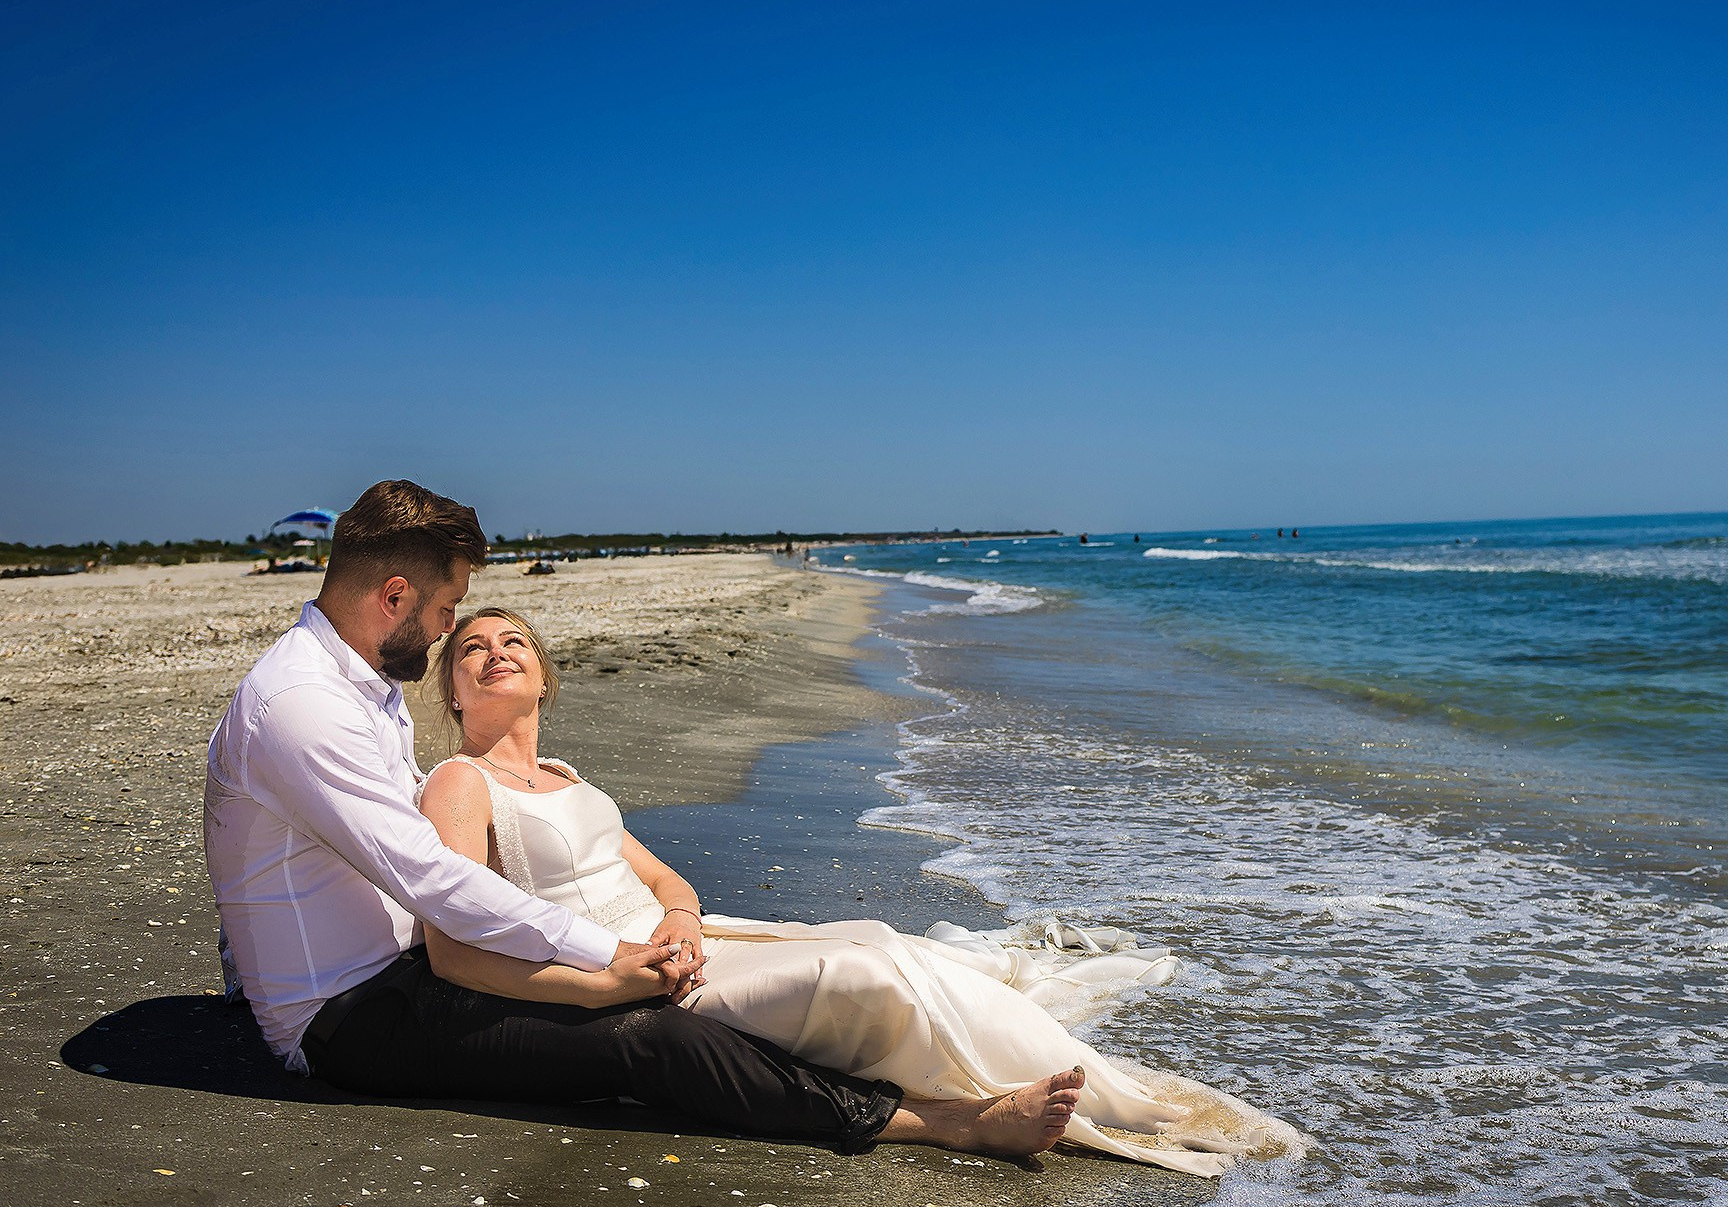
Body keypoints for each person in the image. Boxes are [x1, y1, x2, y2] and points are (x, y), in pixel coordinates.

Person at [204, 479, 1083, 1158]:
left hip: (411, 968)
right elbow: (432, 877)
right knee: (647, 1039)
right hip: (352, 1015)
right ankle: (942, 1122)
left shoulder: (363, 690)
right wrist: (606, 956)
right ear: (394, 595)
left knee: (708, 997)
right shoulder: (303, 705)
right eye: (445, 610)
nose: (447, 628)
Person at [416, 606, 1283, 1176]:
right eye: (471, 649)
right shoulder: (459, 783)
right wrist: (613, 983)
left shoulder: (564, 774)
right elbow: (452, 950)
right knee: (866, 974)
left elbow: (663, 876)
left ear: (545, 675)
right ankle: (1021, 1109)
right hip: (635, 976)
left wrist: (681, 917)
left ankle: (1117, 1096)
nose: (495, 653)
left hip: (689, 938)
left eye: (513, 642)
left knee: (888, 942)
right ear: (452, 692)